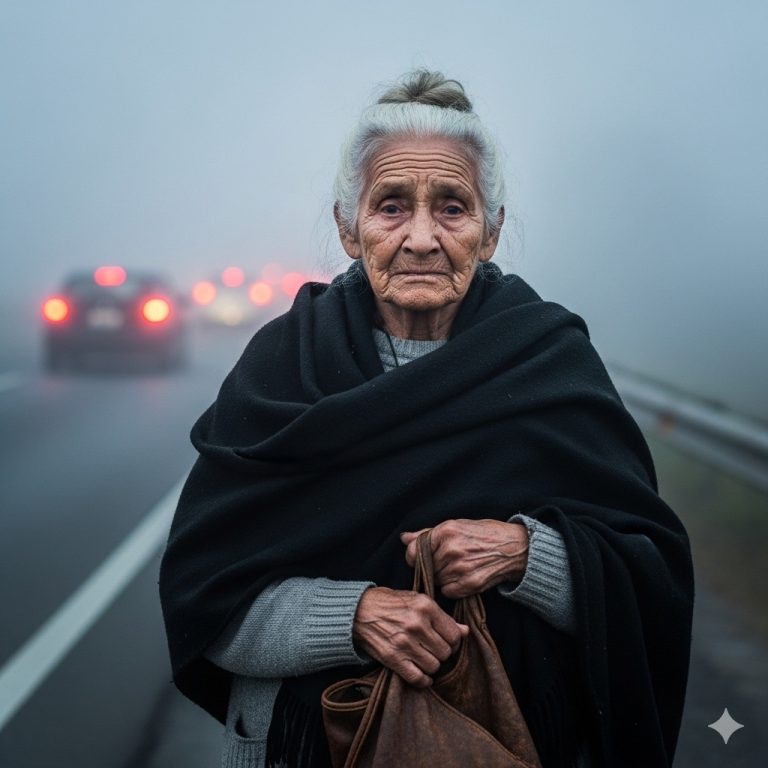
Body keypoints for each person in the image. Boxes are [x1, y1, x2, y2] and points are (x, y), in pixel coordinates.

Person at [159, 70, 694, 768]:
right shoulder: (281, 368)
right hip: (303, 746)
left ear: (492, 230)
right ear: (348, 229)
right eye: (390, 207)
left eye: (451, 207)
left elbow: (647, 586)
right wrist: (353, 617)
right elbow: (209, 605)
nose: (420, 237)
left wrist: (528, 554)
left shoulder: (550, 365)